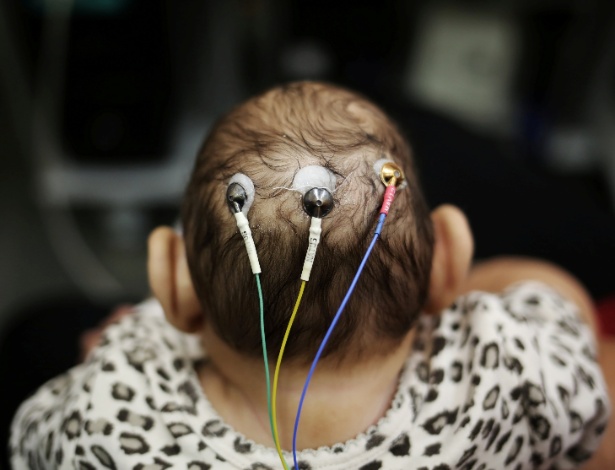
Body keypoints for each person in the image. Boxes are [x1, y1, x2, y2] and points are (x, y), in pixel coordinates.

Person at [10, 82, 610, 469]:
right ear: (448, 259)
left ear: (171, 281)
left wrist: (129, 347)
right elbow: (563, 313)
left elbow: (32, 440)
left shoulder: (106, 415)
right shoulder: (512, 371)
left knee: (33, 334)